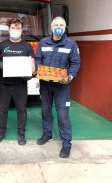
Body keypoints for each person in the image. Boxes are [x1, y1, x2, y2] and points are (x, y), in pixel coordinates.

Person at [35, 16, 80, 158]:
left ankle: (66, 144)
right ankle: (47, 134)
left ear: (65, 27)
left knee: (62, 115)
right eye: (56, 25)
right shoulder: (43, 42)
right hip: (45, 84)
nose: (59, 27)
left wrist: (70, 77)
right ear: (51, 27)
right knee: (45, 110)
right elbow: (38, 60)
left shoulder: (71, 44)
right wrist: (37, 70)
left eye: (61, 25)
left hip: (62, 86)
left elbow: (75, 63)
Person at [0, 18, 35, 145]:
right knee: (2, 109)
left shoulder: (28, 47)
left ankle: (21, 133)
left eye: (18, 28)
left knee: (21, 110)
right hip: (4, 84)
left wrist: (31, 73)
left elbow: (32, 66)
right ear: (9, 29)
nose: (15, 30)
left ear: (22, 30)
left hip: (20, 85)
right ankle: (1, 132)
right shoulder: (1, 45)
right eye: (13, 28)